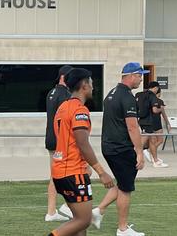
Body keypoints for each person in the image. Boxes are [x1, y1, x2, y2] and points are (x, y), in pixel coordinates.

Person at [48, 68, 114, 236]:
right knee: (83, 220)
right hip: (72, 172)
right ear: (84, 85)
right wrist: (101, 172)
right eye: (91, 83)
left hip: (60, 170)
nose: (93, 87)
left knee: (80, 222)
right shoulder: (79, 110)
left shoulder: (63, 107)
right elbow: (82, 143)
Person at [93, 63, 148, 236]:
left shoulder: (111, 93)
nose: (141, 79)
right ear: (131, 75)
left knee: (124, 182)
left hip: (110, 146)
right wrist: (140, 152)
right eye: (139, 75)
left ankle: (98, 211)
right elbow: (132, 127)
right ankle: (122, 229)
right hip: (120, 148)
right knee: (126, 188)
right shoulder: (126, 97)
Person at [44, 65, 73, 222]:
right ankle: (67, 207)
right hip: (60, 141)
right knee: (70, 174)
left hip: (51, 139)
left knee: (54, 176)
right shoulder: (66, 95)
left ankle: (51, 211)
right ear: (63, 77)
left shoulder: (51, 92)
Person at [136, 82, 162, 165]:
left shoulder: (139, 94)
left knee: (152, 141)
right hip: (148, 121)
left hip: (141, 120)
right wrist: (160, 109)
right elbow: (155, 110)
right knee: (141, 144)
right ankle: (132, 158)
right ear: (155, 88)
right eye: (157, 89)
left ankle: (155, 160)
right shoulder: (152, 96)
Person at [149, 90, 172, 168]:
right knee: (160, 140)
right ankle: (152, 154)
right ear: (158, 93)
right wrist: (168, 123)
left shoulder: (148, 100)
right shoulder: (159, 101)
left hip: (149, 122)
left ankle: (152, 154)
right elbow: (163, 114)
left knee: (153, 141)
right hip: (156, 122)